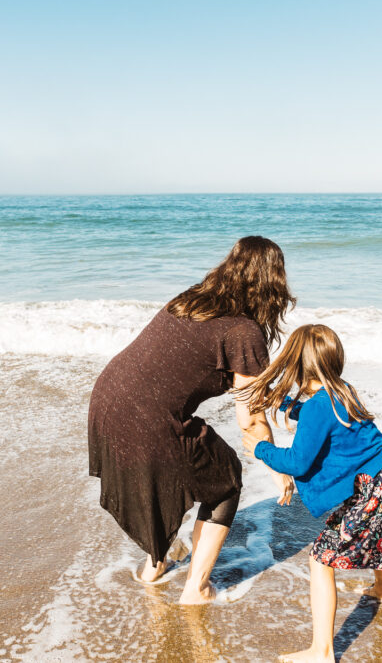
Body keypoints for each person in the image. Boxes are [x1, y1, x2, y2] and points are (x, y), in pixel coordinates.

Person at [88, 236, 297, 605]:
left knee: (182, 472)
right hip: (146, 418)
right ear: (272, 283)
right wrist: (277, 466)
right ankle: (196, 589)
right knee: (226, 480)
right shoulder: (243, 331)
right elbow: (250, 419)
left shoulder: (192, 300)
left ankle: (154, 568)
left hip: (108, 400)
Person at [240, 324, 382, 662]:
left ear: (297, 365)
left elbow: (297, 460)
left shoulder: (320, 406)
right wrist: (286, 404)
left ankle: (321, 652)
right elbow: (323, 416)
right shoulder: (344, 390)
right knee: (380, 533)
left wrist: (260, 448)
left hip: (375, 488)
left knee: (320, 559)